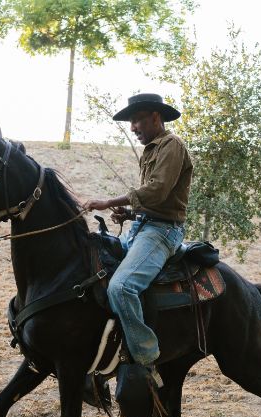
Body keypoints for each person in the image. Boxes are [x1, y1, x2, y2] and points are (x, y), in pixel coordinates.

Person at [82, 93, 192, 386]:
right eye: (131, 122)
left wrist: (109, 202)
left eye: (137, 121)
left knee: (121, 287)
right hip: (143, 228)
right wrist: (129, 214)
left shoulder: (172, 145)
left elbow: (157, 190)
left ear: (155, 117)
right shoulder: (151, 149)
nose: (132, 128)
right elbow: (156, 201)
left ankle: (146, 360)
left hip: (162, 232)